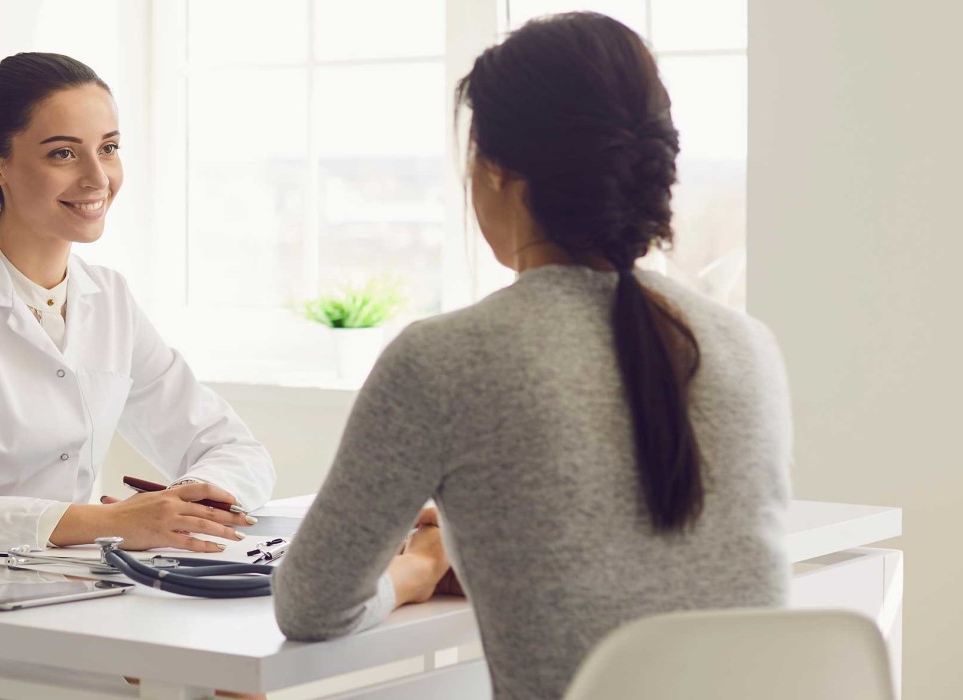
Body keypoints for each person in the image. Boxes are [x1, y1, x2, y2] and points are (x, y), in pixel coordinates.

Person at [273, 13, 791, 700]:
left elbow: (311, 607)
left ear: (496, 173)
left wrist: (422, 568)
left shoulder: (444, 359)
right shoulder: (746, 346)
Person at [0, 52, 274, 565]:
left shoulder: (109, 299)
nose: (98, 178)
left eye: (109, 148)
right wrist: (104, 522)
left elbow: (239, 452)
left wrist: (189, 498)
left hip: (66, 587)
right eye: (64, 154)